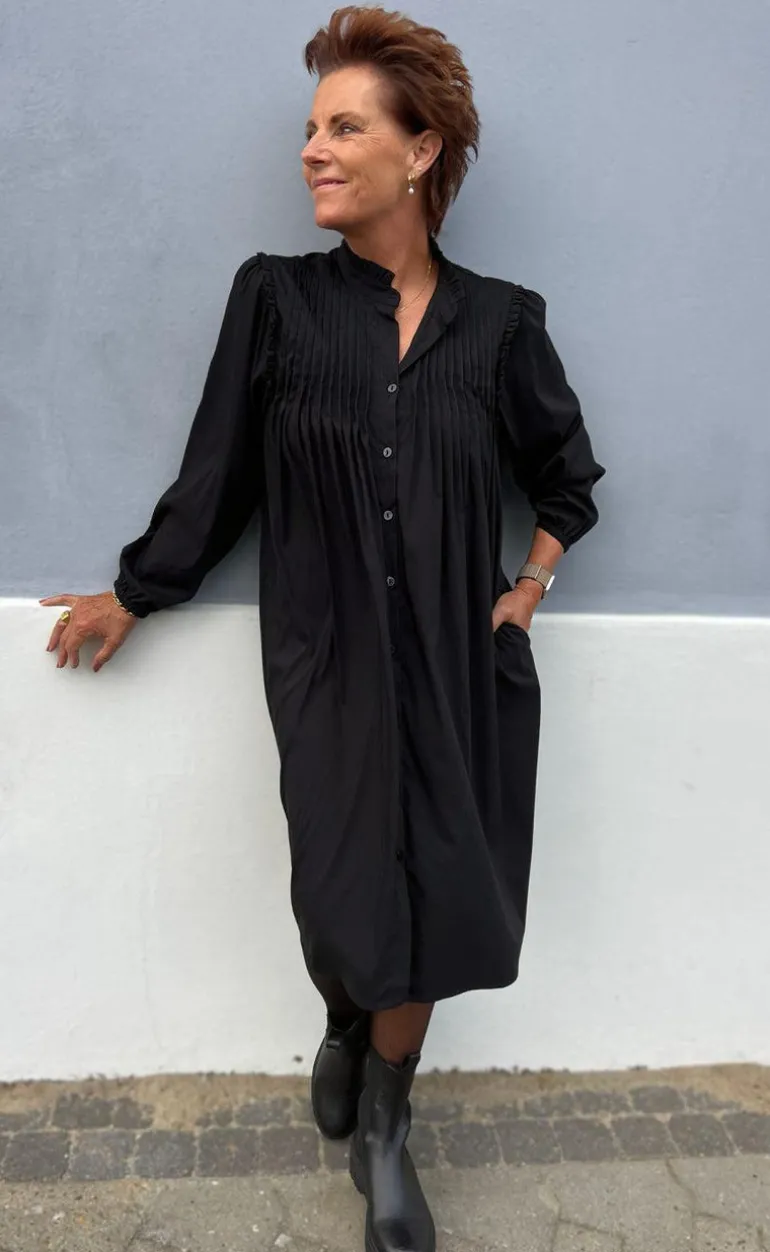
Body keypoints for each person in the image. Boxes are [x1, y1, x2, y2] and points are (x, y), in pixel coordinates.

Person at [40, 6, 605, 1250]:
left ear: (420, 152)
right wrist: (135, 590)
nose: (311, 149)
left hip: (458, 666)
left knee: (444, 894)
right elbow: (219, 475)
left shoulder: (500, 324)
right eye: (311, 128)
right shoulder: (279, 302)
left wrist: (527, 587)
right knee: (344, 887)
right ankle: (346, 1018)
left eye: (344, 127)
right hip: (329, 660)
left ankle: (388, 1125)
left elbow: (566, 482)